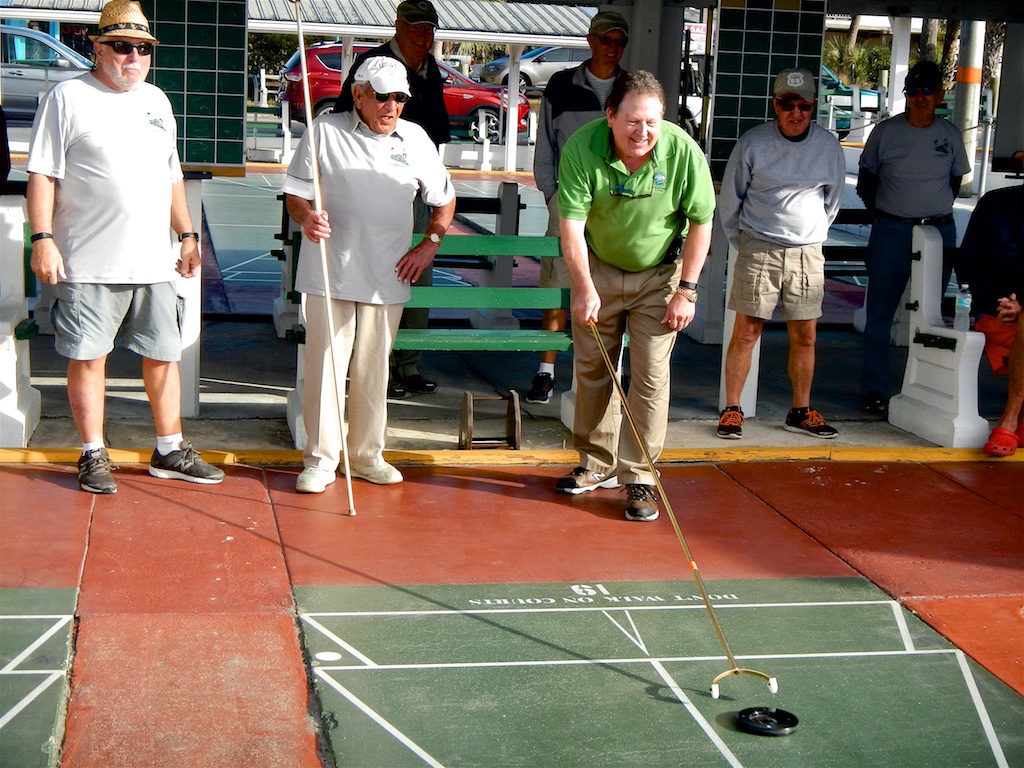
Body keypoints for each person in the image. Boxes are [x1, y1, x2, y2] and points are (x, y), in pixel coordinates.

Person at [26, 0, 224, 494]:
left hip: (154, 262)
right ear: (97, 48)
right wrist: (42, 239)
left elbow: (172, 176)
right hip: (86, 262)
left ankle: (170, 449)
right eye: (121, 46)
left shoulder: (157, 101)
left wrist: (188, 235)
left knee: (164, 356)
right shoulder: (67, 97)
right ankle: (93, 452)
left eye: (142, 48)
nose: (133, 56)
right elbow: (43, 174)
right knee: (88, 359)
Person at [283, 56, 456, 493]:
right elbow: (295, 195)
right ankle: (321, 460)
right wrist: (306, 218)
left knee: (374, 370)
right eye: (382, 96)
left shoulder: (416, 138)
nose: (391, 106)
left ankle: (365, 457)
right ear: (358, 95)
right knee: (325, 368)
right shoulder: (325, 130)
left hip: (388, 275)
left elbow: (444, 200)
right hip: (330, 271)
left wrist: (429, 244)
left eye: (399, 97)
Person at [555, 70, 716, 521]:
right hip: (599, 267)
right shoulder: (582, 147)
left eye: (652, 122)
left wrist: (687, 291)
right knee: (593, 369)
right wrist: (583, 286)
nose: (642, 132)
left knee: (649, 376)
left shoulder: (683, 151)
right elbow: (571, 224)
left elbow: (702, 222)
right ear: (610, 116)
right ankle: (595, 463)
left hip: (659, 275)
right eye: (632, 121)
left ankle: (640, 475)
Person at [717, 68, 846, 440]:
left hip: (807, 251)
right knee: (746, 332)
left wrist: (809, 234)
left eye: (804, 106)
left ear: (813, 106)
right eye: (788, 104)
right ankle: (732, 409)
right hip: (759, 247)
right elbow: (731, 201)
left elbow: (832, 201)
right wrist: (747, 244)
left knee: (806, 336)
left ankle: (800, 411)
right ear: (775, 104)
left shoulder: (828, 146)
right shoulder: (753, 143)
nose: (796, 113)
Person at [334, 0, 450, 400]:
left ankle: (407, 364)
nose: (422, 36)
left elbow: (436, 133)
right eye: (414, 27)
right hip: (368, 187)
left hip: (415, 187)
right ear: (398, 26)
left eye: (428, 29)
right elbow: (344, 122)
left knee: (414, 273)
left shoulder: (431, 71)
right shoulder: (371, 65)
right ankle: (368, 369)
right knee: (367, 278)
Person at [524, 11, 629, 404]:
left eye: (619, 41)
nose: (612, 47)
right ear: (590, 40)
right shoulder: (561, 84)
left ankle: (606, 374)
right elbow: (545, 147)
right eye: (606, 39)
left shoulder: (632, 87)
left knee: (612, 292)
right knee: (558, 287)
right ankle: (546, 371)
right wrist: (552, 195)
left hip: (617, 210)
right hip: (568, 205)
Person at [856, 60, 971, 416]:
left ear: (940, 95)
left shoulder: (950, 134)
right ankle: (874, 389)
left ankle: (926, 390)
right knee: (879, 314)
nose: (921, 98)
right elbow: (866, 181)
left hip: (938, 232)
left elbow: (955, 182)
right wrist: (888, 214)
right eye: (914, 91)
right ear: (906, 95)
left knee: (932, 315)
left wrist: (929, 211)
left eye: (928, 91)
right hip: (891, 231)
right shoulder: (885, 132)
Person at [953, 184, 1024, 456]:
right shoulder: (996, 203)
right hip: (998, 313)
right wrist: (1003, 304)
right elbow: (969, 265)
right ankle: (1011, 419)